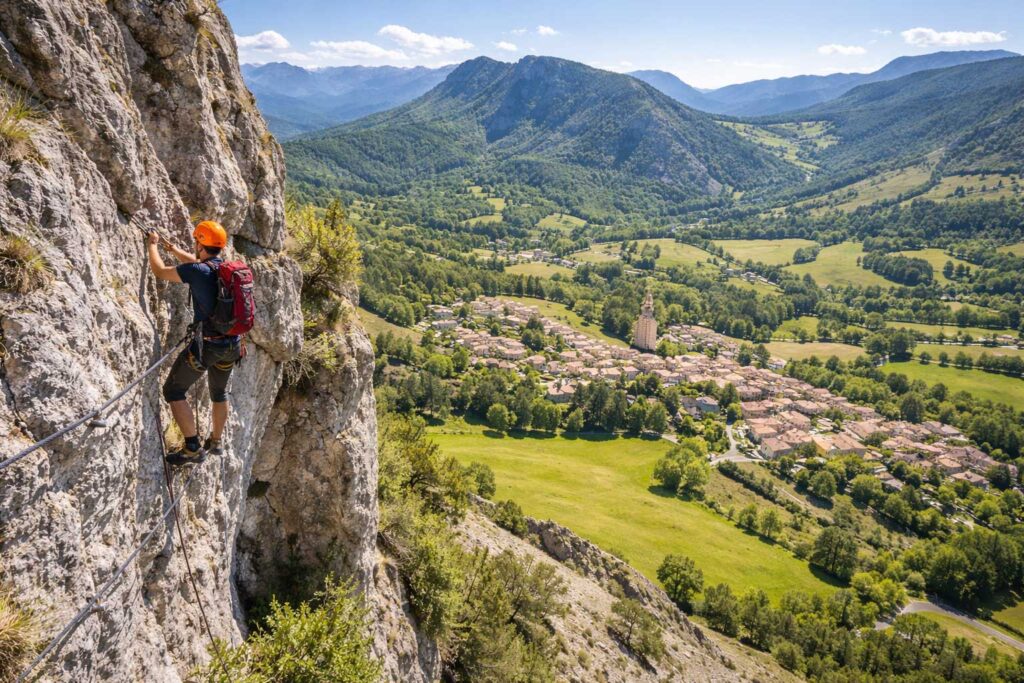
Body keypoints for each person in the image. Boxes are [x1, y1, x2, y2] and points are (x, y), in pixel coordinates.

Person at [147, 221, 241, 465]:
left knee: (174, 390)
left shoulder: (197, 272)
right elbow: (197, 263)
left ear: (200, 242)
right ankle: (216, 442)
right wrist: (175, 249)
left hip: (208, 345)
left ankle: (192, 448)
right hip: (233, 345)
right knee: (219, 392)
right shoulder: (224, 267)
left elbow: (159, 271)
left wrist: (153, 246)